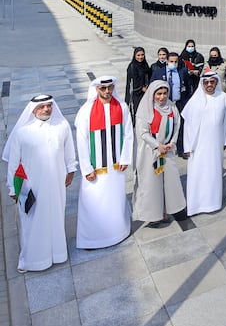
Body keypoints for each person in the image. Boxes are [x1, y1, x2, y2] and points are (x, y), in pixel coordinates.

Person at [5, 94, 76, 272]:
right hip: (32, 185)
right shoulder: (22, 132)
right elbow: (14, 163)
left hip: (57, 182)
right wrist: (13, 187)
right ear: (33, 110)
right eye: (42, 107)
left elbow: (69, 151)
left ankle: (57, 254)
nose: (46, 109)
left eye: (49, 106)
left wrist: (71, 170)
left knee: (56, 216)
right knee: (32, 221)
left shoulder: (62, 125)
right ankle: (30, 260)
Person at [75, 77, 133, 249]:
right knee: (93, 200)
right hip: (96, 167)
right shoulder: (86, 111)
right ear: (96, 89)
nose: (107, 91)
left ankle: (118, 232)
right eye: (103, 88)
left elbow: (128, 134)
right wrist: (86, 168)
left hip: (116, 166)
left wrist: (125, 158)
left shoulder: (121, 107)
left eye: (109, 87)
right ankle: (92, 239)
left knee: (115, 198)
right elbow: (82, 141)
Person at [133, 81, 186, 228]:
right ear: (153, 94)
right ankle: (154, 215)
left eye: (164, 93)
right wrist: (158, 146)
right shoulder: (145, 110)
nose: (162, 97)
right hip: (152, 153)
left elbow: (176, 125)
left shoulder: (171, 107)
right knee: (153, 185)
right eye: (159, 94)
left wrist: (172, 142)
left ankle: (171, 210)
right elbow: (143, 132)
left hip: (167, 151)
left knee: (170, 182)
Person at [182, 70, 226, 215]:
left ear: (216, 82)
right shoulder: (195, 101)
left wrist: (225, 140)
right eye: (206, 82)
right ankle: (196, 205)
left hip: (215, 145)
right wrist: (187, 146)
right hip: (197, 146)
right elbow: (187, 126)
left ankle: (213, 204)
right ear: (202, 84)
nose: (210, 85)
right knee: (198, 174)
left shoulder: (222, 97)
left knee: (214, 173)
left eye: (212, 82)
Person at [124, 47, 151, 119]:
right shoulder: (132, 66)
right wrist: (142, 88)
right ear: (134, 56)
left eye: (142, 55)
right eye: (138, 55)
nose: (140, 57)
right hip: (136, 94)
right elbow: (133, 81)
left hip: (145, 92)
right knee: (137, 112)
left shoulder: (145, 64)